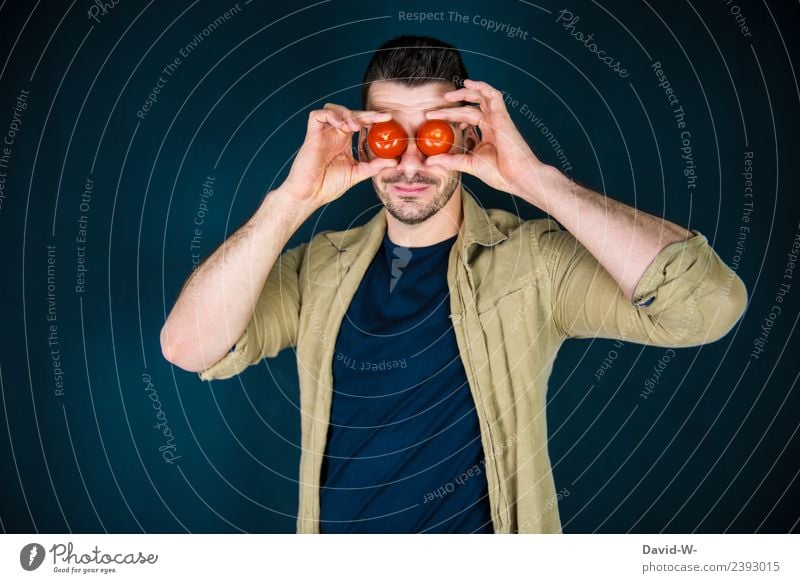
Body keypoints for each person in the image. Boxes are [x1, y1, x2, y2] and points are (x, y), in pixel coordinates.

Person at [160, 35, 748, 534]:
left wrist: (537, 181)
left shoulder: (533, 262)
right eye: (391, 135)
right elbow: (188, 347)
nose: (411, 162)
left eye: (436, 135)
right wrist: (290, 203)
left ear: (468, 138)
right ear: (364, 140)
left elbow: (706, 307)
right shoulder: (318, 269)